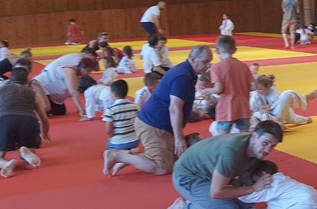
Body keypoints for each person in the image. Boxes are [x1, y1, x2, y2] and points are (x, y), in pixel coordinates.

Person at [103, 45, 212, 176]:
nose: (208, 65)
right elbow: (174, 107)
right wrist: (178, 138)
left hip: (159, 124)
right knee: (162, 167)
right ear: (193, 59)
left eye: (209, 61)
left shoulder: (188, 73)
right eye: (205, 61)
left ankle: (132, 156)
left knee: (182, 152)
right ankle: (117, 156)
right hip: (153, 124)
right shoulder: (183, 76)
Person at [158, 121, 283, 209]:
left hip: (212, 174)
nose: (267, 150)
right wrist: (254, 188)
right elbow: (216, 192)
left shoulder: (255, 149)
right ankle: (183, 208)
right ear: (255, 136)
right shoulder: (232, 152)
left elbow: (245, 178)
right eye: (265, 143)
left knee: (246, 206)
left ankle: (200, 199)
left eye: (272, 146)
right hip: (187, 177)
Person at [0, 66, 50, 178]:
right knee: (30, 150)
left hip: (6, 121)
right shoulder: (32, 93)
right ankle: (25, 154)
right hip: (29, 122)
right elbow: (44, 119)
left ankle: (4, 163)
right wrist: (44, 133)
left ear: (10, 80)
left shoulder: (0, 90)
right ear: (27, 81)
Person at [238, 160, 317, 209]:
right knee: (284, 205)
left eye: (257, 181)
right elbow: (278, 204)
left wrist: (238, 194)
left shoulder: (271, 183)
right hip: (315, 197)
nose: (257, 184)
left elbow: (253, 197)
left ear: (264, 175)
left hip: (304, 201)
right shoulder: (282, 179)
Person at [205, 35, 253, 136]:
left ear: (217, 50)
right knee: (244, 136)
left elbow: (218, 88)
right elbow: (253, 86)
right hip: (243, 106)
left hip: (226, 107)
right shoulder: (244, 66)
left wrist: (207, 91)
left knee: (222, 137)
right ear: (235, 50)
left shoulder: (217, 67)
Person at [34, 48, 99, 116]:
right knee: (46, 108)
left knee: (60, 111)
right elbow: (73, 92)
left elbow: (74, 91)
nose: (89, 73)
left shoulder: (77, 72)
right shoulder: (70, 71)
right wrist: (81, 109)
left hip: (52, 94)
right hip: (39, 85)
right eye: (88, 71)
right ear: (81, 68)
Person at [250, 74, 317, 128]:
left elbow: (285, 112)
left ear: (268, 88)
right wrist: (262, 111)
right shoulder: (254, 95)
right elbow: (253, 112)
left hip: (277, 116)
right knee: (258, 117)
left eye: (260, 89)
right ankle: (303, 101)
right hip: (265, 119)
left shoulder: (274, 94)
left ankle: (304, 99)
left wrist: (304, 120)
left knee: (288, 93)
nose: (257, 91)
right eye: (257, 88)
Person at [102, 80, 140, 170]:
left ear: (114, 94)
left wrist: (110, 137)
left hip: (119, 143)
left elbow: (108, 130)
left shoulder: (110, 109)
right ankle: (130, 151)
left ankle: (123, 152)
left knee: (108, 148)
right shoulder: (135, 106)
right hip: (135, 141)